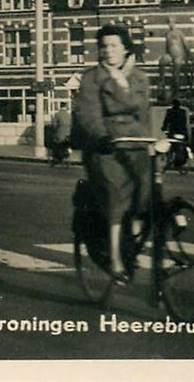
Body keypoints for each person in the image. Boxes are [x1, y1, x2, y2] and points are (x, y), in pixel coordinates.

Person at [72, 24, 160, 284]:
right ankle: (115, 258)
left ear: (125, 49)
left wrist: (155, 140)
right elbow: (87, 113)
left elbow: (145, 114)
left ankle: (130, 242)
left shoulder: (139, 78)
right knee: (115, 194)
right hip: (106, 148)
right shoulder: (91, 78)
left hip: (136, 143)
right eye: (104, 46)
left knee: (145, 191)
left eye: (114, 45)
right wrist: (101, 136)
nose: (109, 51)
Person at [162, 99, 190, 173]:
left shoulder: (170, 111)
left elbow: (166, 121)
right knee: (183, 145)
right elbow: (184, 123)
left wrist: (164, 128)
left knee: (169, 146)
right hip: (182, 132)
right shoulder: (182, 112)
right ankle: (181, 161)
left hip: (173, 132)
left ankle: (169, 160)